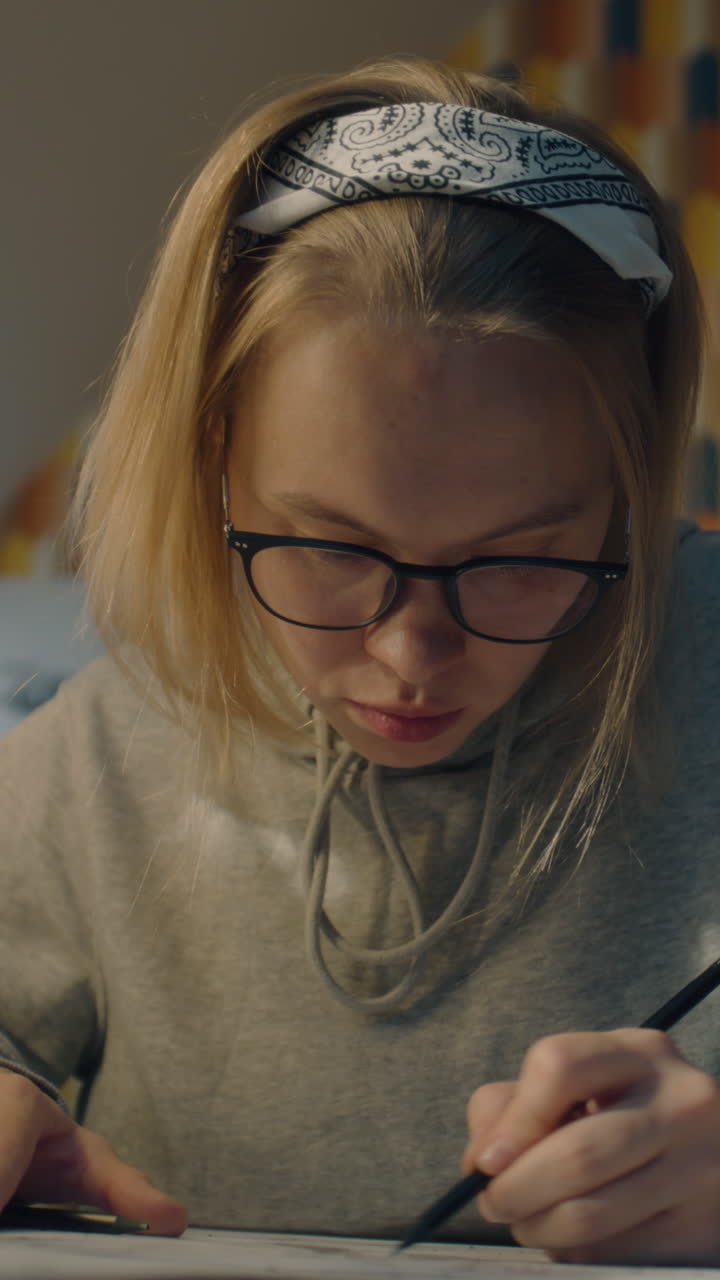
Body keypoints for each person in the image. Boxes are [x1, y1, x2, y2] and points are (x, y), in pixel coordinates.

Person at [1, 54, 719, 1266]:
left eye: (517, 556)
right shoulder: (107, 739)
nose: (409, 654)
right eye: (327, 547)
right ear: (214, 467)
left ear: (631, 495)